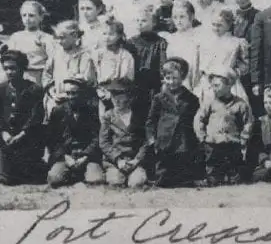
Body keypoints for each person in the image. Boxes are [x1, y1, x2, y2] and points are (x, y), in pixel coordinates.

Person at [0, 50, 46, 185]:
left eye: (13, 68)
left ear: (22, 68)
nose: (9, 72)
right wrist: (4, 133)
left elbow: (36, 116)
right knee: (7, 180)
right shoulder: (0, 89)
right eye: (6, 68)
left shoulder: (34, 89)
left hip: (27, 138)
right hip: (7, 139)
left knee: (32, 178)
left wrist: (22, 134)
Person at [145, 58, 202, 188]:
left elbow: (195, 121)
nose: (171, 82)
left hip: (183, 140)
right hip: (164, 140)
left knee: (183, 177)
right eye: (168, 78)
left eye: (175, 78)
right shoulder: (159, 98)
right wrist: (151, 139)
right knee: (163, 178)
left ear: (183, 77)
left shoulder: (191, 99)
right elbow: (151, 121)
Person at [194, 67, 254, 186]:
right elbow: (199, 119)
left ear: (229, 85)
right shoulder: (209, 103)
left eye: (217, 85)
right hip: (213, 143)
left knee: (234, 168)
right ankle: (213, 177)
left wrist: (244, 137)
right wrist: (202, 136)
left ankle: (233, 176)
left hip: (232, 142)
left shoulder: (240, 104)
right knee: (213, 167)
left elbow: (248, 122)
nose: (214, 89)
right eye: (212, 86)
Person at [46, 78, 104, 188]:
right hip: (66, 156)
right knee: (54, 179)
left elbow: (96, 137)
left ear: (82, 94)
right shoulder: (58, 111)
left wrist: (86, 156)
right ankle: (72, 174)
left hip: (86, 156)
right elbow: (52, 140)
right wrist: (65, 156)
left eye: (74, 93)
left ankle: (81, 173)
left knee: (96, 179)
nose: (70, 97)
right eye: (68, 93)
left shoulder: (91, 110)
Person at [99, 77, 150, 189]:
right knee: (116, 182)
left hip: (134, 160)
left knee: (136, 183)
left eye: (120, 98)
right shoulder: (108, 116)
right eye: (113, 97)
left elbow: (146, 140)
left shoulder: (139, 116)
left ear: (129, 98)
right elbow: (104, 142)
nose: (116, 101)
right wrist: (118, 160)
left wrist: (137, 160)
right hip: (115, 162)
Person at [195, 7, 249, 106]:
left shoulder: (236, 42)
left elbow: (245, 65)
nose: (216, 28)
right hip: (207, 82)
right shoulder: (204, 42)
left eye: (220, 25)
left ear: (229, 25)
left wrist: (234, 73)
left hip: (227, 82)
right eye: (214, 24)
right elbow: (199, 64)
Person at [126, 3, 168, 129]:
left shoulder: (160, 42)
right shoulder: (131, 42)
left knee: (152, 116)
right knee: (136, 117)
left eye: (144, 21)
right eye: (138, 21)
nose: (140, 23)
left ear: (153, 23)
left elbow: (162, 64)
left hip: (154, 86)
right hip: (136, 86)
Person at [43, 20, 97, 114]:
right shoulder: (55, 55)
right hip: (56, 99)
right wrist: (52, 93)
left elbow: (87, 79)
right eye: (57, 38)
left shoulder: (84, 55)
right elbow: (47, 76)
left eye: (62, 38)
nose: (59, 42)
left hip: (77, 101)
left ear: (74, 36)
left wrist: (73, 89)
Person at [93, 19, 136, 115]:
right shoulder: (98, 54)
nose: (107, 37)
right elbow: (94, 74)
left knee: (119, 120)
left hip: (119, 96)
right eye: (104, 34)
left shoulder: (125, 55)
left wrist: (113, 89)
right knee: (104, 118)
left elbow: (126, 78)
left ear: (120, 35)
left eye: (111, 34)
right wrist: (100, 90)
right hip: (102, 95)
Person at [7, 1, 55, 85]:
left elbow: (52, 60)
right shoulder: (15, 37)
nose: (27, 18)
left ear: (41, 17)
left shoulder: (47, 38)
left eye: (31, 15)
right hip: (19, 77)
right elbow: (9, 59)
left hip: (39, 78)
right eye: (24, 15)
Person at [160, 0, 202, 91]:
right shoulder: (170, 39)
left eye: (182, 17)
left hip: (195, 84)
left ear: (191, 17)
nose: (178, 21)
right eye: (175, 17)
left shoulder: (199, 38)